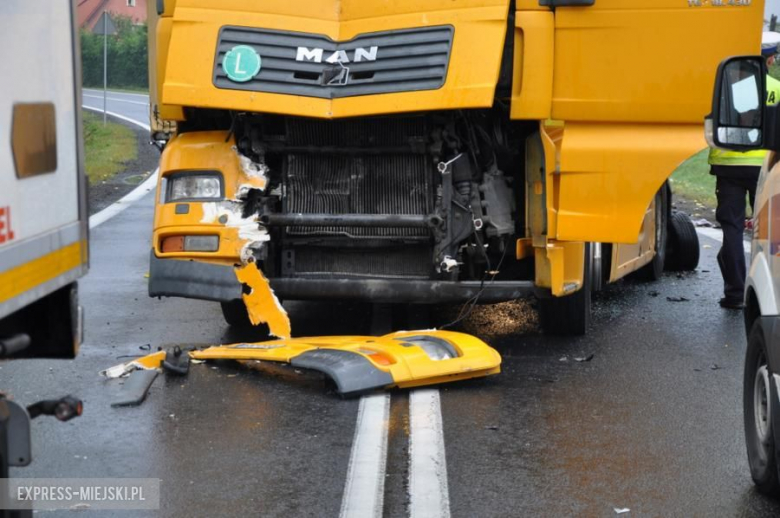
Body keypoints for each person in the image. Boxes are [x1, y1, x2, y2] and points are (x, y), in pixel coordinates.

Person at [711, 37, 780, 309]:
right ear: (771, 60)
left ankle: (735, 293)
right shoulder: (776, 87)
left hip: (728, 165)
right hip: (765, 166)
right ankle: (768, 290)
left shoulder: (730, 86)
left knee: (732, 227)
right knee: (770, 228)